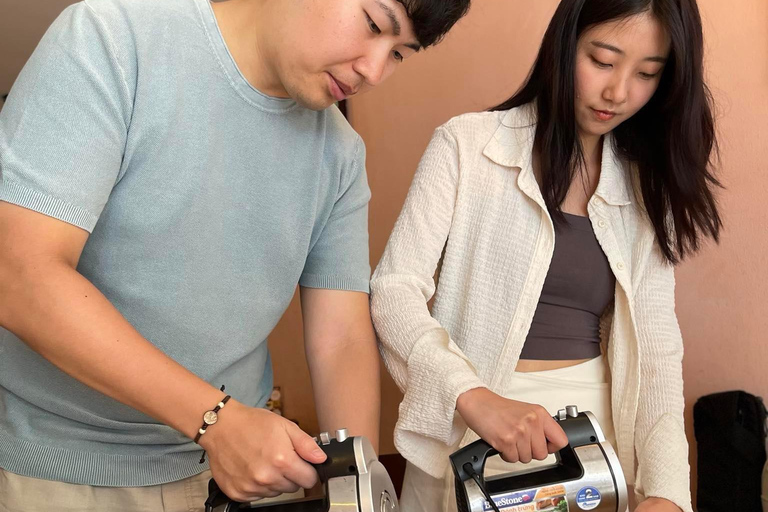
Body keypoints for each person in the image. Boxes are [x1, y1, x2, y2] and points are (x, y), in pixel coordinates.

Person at [0, 0, 470, 510]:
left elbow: (342, 339)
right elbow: (21, 275)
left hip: (234, 478)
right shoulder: (113, 39)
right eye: (375, 24)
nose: (374, 70)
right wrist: (215, 420)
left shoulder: (340, 154)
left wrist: (355, 485)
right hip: (63, 468)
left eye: (400, 53)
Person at [370, 0, 720, 511]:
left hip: (592, 448)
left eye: (647, 74)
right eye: (602, 60)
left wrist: (667, 491)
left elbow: (657, 356)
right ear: (566, 44)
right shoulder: (466, 145)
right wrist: (475, 399)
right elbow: (393, 292)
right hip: (473, 427)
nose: (618, 93)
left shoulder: (647, 189)